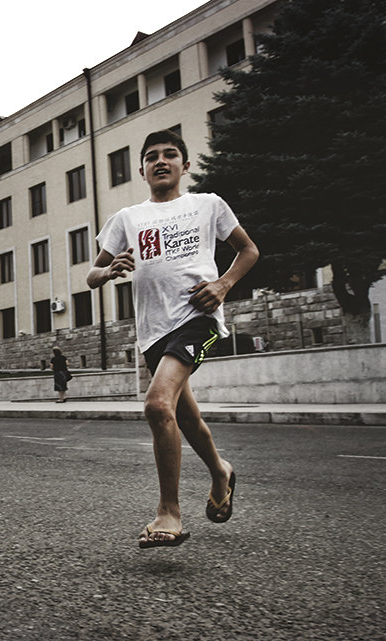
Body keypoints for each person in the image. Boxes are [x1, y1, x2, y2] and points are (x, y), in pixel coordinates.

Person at [87, 129, 259, 548]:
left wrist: (222, 285)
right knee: (185, 418)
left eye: (170, 154)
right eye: (152, 157)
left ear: (185, 165)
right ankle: (220, 471)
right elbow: (92, 275)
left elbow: (249, 250)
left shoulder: (207, 204)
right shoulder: (127, 218)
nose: (160, 161)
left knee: (156, 404)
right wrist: (108, 271)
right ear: (142, 170)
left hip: (197, 317)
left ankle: (169, 513)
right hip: (153, 332)